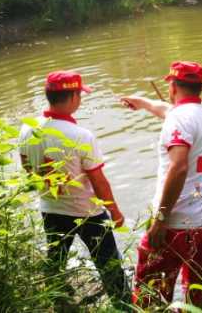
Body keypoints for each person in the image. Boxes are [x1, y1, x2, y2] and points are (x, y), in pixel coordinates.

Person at [19, 71, 129, 307]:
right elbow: (99, 181)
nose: (80, 99)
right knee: (109, 264)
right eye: (79, 94)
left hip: (50, 208)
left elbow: (27, 166)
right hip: (88, 212)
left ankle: (58, 302)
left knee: (56, 260)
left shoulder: (27, 129)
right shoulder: (80, 135)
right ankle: (124, 306)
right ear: (71, 98)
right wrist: (115, 212)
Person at [121, 61, 202, 309]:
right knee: (197, 296)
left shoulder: (178, 120)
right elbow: (166, 109)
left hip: (176, 225)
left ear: (173, 86)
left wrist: (160, 220)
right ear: (200, 89)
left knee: (149, 295)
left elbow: (178, 167)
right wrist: (142, 103)